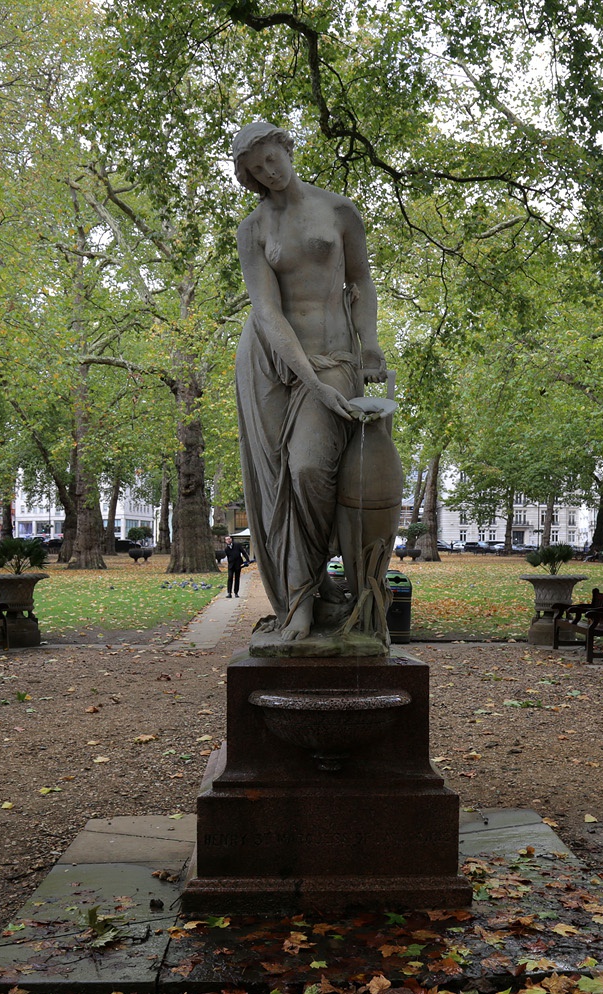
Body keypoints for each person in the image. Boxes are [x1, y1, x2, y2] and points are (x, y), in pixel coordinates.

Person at [231, 122, 388, 642]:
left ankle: (314, 588)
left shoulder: (339, 211)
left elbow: (361, 281)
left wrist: (370, 348)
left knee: (307, 470)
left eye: (271, 159)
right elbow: (268, 313)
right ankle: (304, 597)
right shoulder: (253, 229)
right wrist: (308, 381)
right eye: (256, 171)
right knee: (282, 483)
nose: (269, 173)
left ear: (286, 147)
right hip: (273, 366)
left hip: (335, 356)